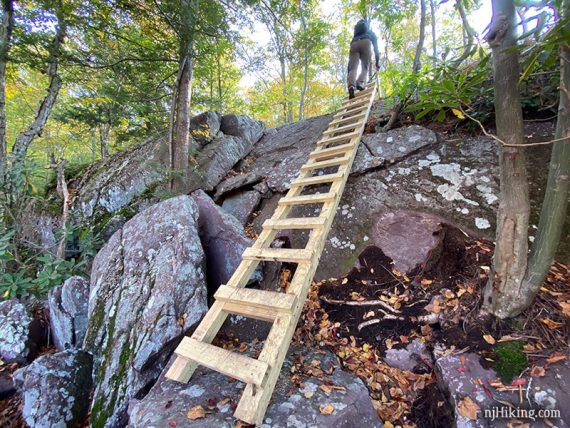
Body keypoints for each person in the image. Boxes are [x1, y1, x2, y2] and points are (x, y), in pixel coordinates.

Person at [347, 19, 380, 99]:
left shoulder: (355, 35)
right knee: (365, 67)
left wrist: (349, 71)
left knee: (353, 68)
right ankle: (360, 83)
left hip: (354, 44)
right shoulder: (370, 33)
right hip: (366, 43)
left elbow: (350, 66)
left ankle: (351, 86)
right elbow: (376, 49)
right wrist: (377, 62)